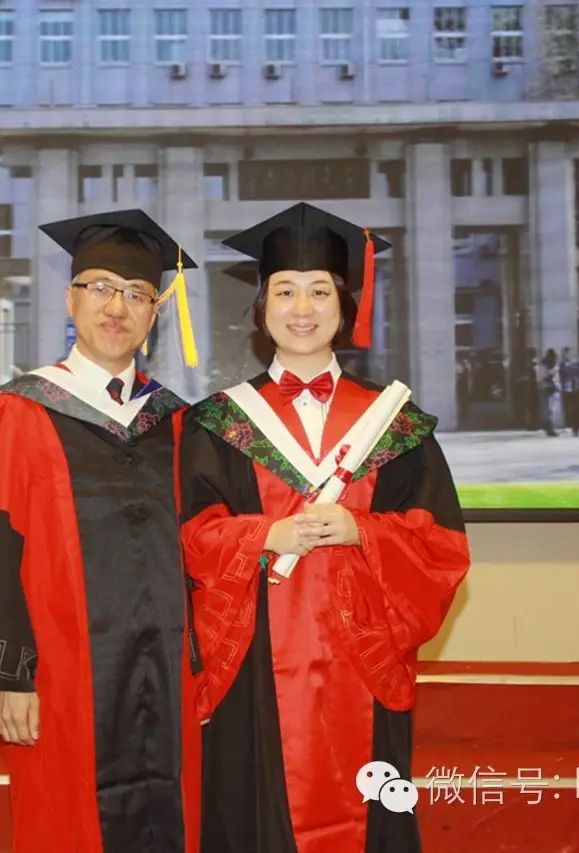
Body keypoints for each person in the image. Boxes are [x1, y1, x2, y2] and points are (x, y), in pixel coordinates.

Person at [180, 203, 471, 853]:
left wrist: (361, 529)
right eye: (285, 290)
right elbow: (188, 536)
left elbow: (440, 547)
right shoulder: (217, 422)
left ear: (345, 307)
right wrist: (264, 536)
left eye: (319, 291)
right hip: (255, 668)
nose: (302, 308)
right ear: (262, 308)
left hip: (361, 662)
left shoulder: (394, 424)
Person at [0, 209, 203, 853]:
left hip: (170, 674)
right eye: (100, 287)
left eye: (137, 294)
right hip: (61, 676)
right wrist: (10, 675)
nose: (117, 307)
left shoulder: (178, 424)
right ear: (70, 299)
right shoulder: (17, 412)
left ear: (154, 314)